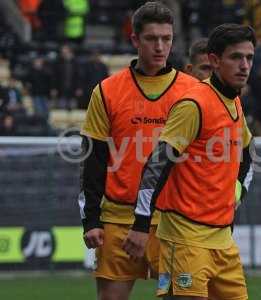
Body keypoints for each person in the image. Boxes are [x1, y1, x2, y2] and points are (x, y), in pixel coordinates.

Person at [123, 23, 255, 300]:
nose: (244, 65)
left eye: (249, 58)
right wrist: (140, 225)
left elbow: (247, 153)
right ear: (214, 61)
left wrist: (237, 191)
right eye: (236, 57)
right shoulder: (193, 104)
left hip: (222, 240)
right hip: (185, 239)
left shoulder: (235, 102)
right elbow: (157, 165)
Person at [79, 2, 197, 300]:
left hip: (174, 222)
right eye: (151, 38)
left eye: (166, 39)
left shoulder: (193, 91)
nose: (160, 46)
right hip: (118, 220)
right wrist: (91, 219)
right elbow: (93, 159)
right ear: (134, 40)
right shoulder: (107, 91)